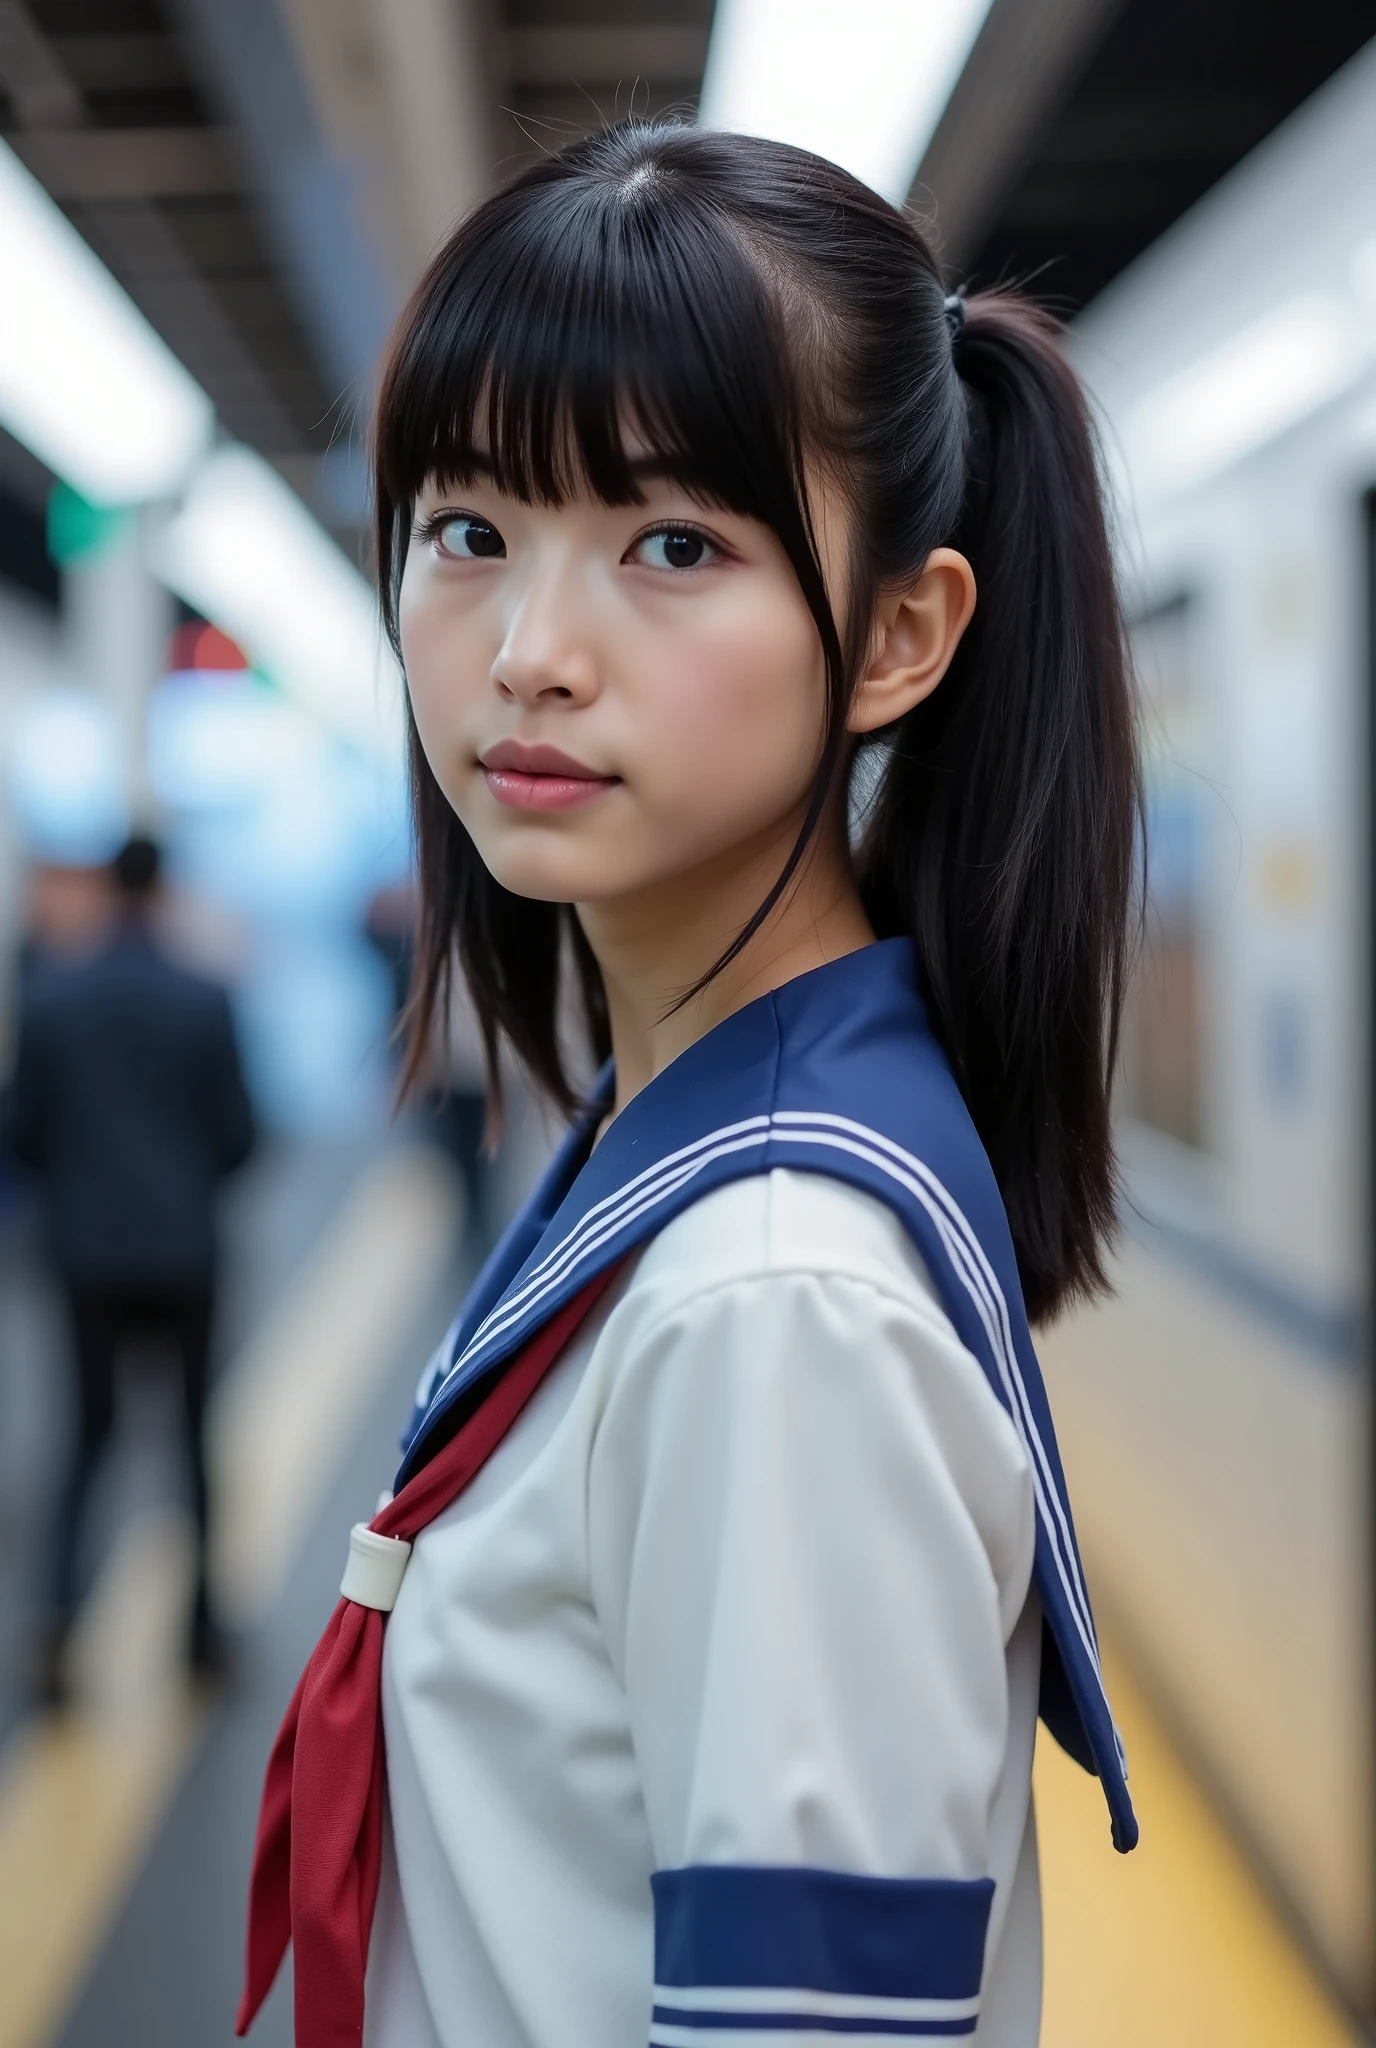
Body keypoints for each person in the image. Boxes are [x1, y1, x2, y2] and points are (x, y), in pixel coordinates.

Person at [237, 122, 1141, 2048]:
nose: (532, 655)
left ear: (900, 635)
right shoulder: (680, 1143)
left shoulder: (772, 1299)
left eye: (673, 545)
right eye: (468, 531)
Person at [4, 833, 255, 1694]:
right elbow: (240, 1133)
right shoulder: (204, 996)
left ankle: (58, 1625)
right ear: (166, 891)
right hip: (187, 1249)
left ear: (108, 890)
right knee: (193, 1436)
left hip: (84, 1254)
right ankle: (202, 1633)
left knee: (85, 1436)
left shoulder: (53, 996)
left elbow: (22, 1134)